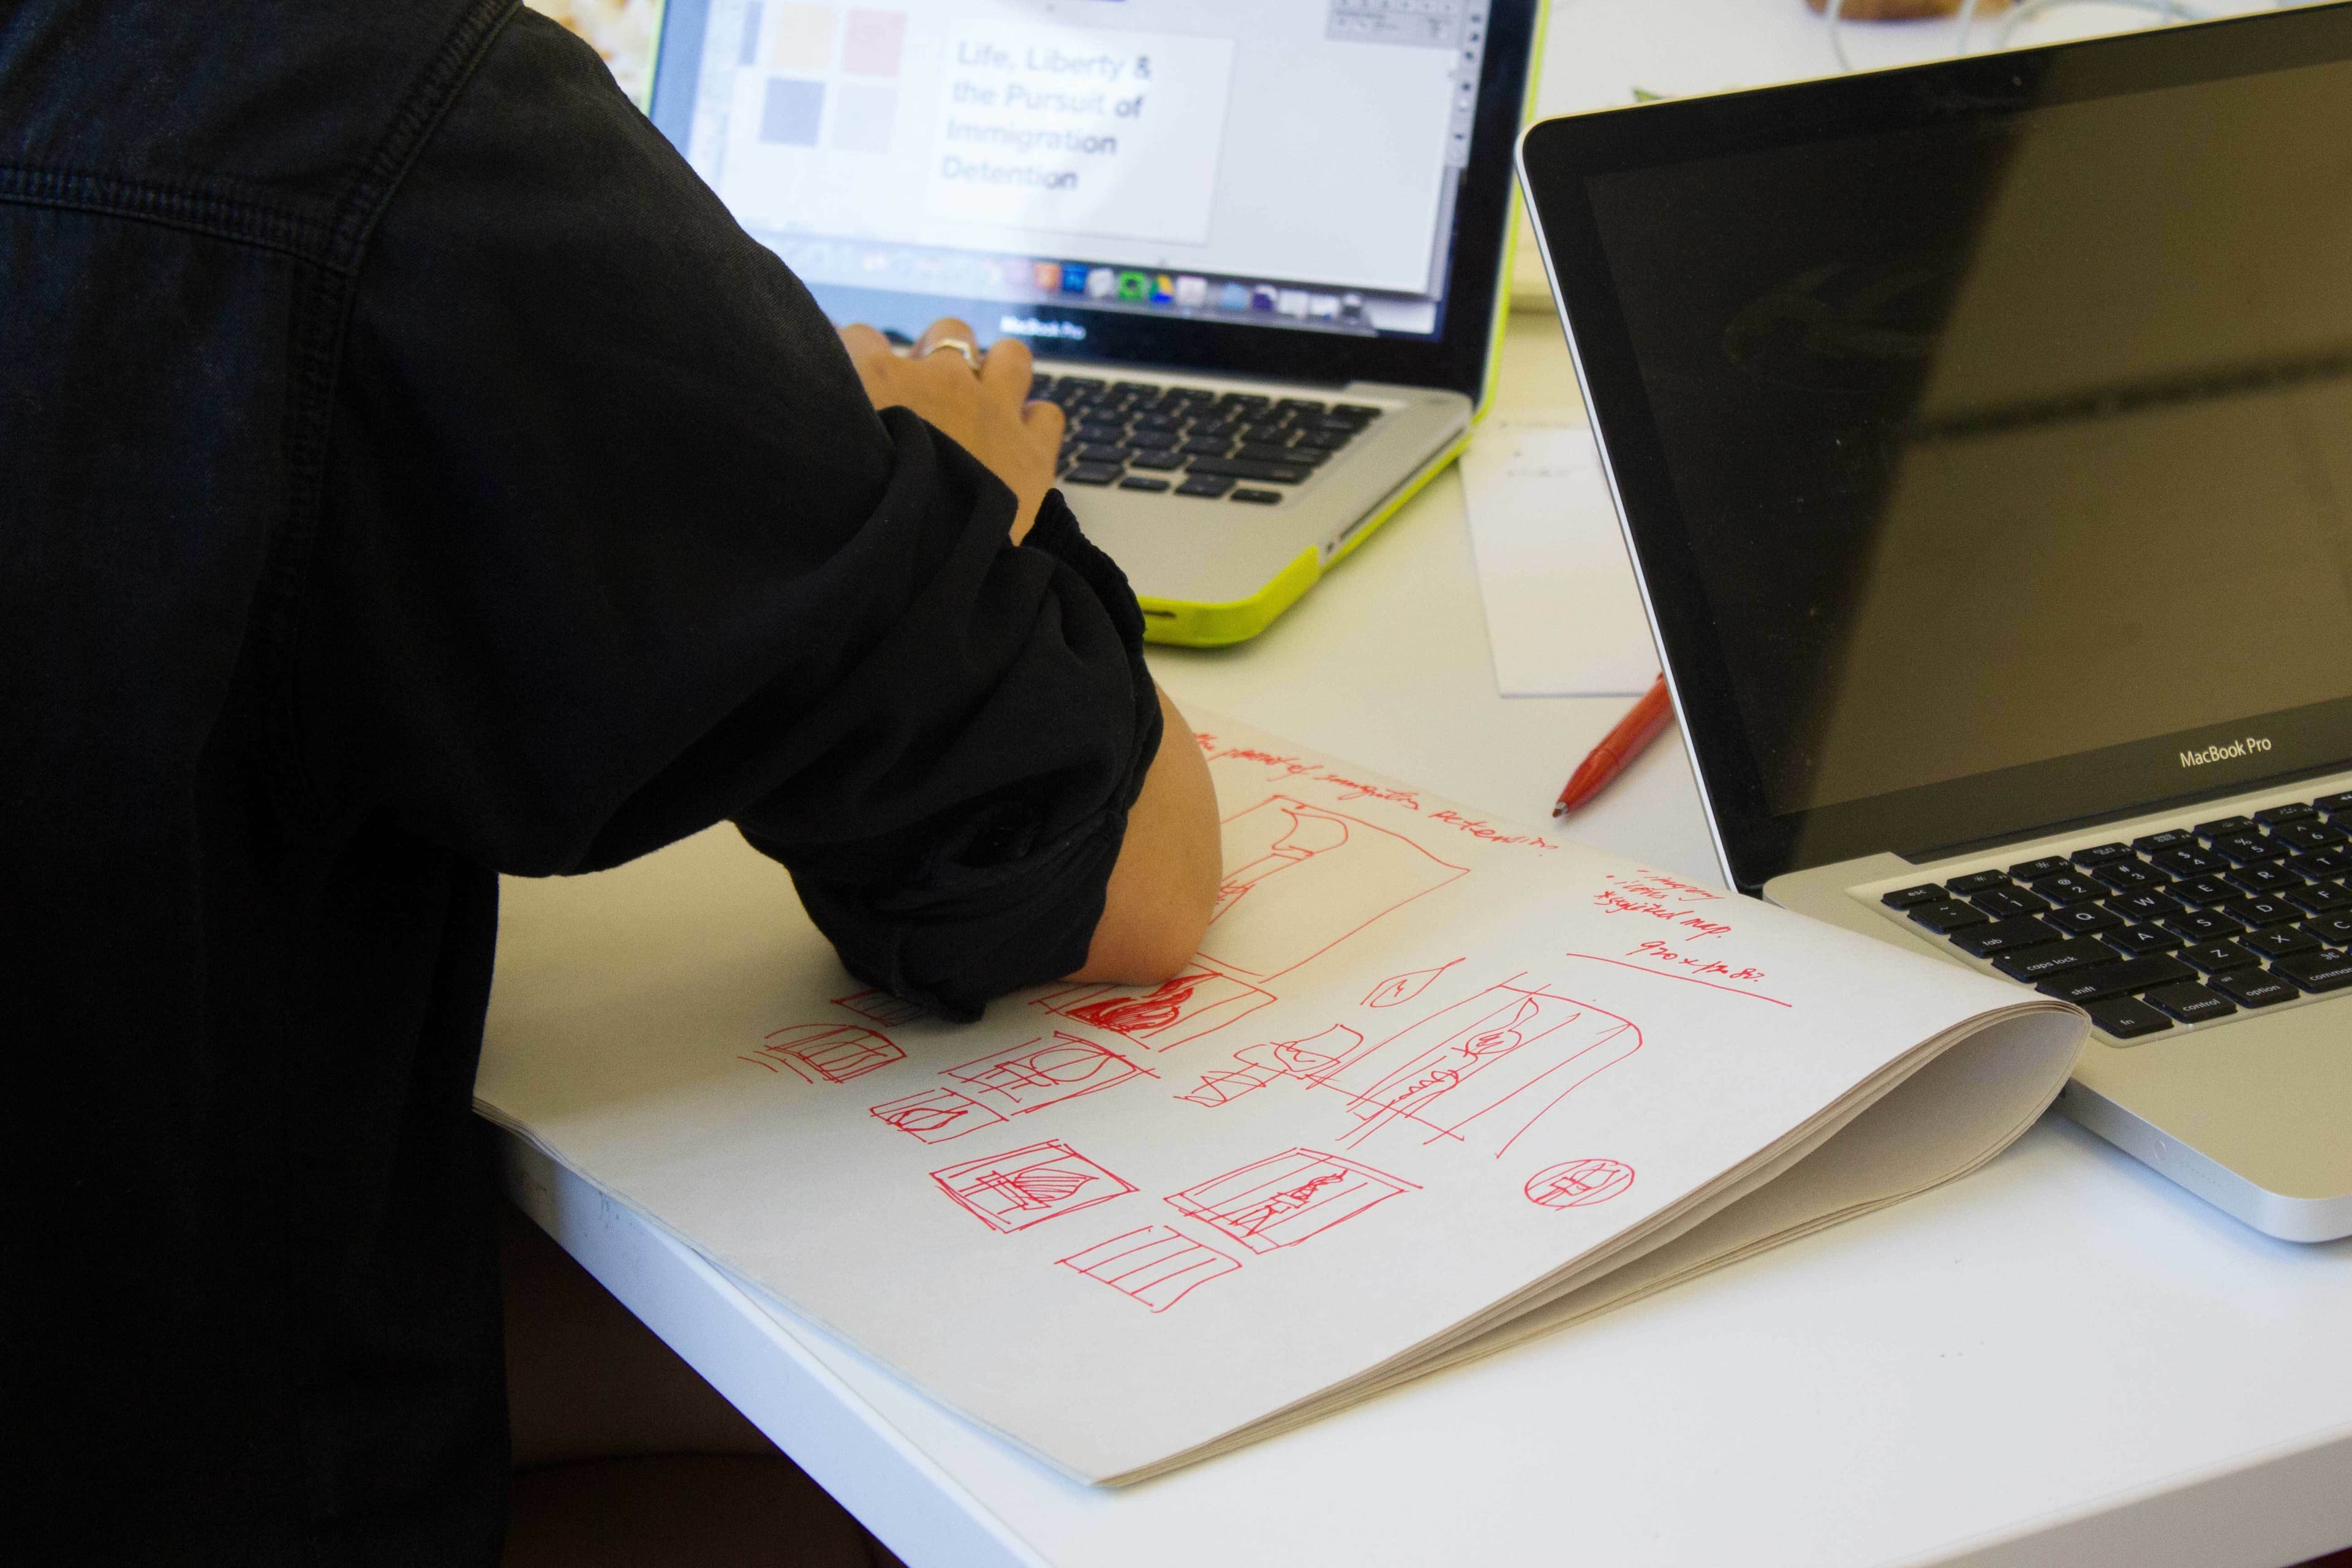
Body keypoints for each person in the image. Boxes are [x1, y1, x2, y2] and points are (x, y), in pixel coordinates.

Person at [1, 2, 1218, 1562]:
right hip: (175, 1457)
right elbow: (1111, 877)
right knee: (1022, 1468)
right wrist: (955, 482)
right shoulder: (371, 107)